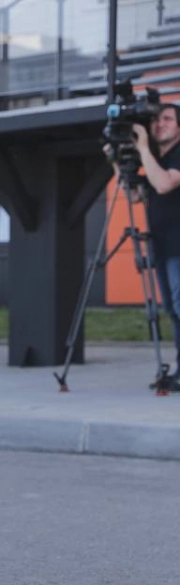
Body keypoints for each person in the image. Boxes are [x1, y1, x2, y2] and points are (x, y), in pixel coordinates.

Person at [133, 104, 180, 388]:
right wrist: (117, 159)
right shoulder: (157, 160)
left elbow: (163, 185)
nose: (160, 123)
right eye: (156, 119)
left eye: (168, 119)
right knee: (173, 311)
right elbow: (135, 194)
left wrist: (142, 149)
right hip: (163, 248)